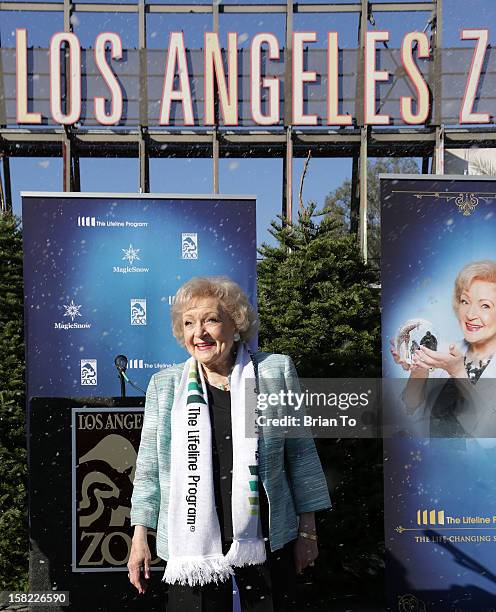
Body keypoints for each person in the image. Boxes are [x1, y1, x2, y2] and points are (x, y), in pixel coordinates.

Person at [128, 276, 331, 611]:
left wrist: (308, 533)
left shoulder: (273, 372)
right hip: (190, 541)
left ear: (235, 324)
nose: (200, 333)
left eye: (211, 320)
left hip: (264, 535)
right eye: (189, 323)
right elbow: (149, 469)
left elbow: (300, 456)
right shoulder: (165, 387)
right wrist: (139, 537)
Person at [390, 260, 496, 438]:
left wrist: (458, 372)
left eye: (485, 305)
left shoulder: (452, 362)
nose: (470, 314)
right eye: (465, 301)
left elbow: (487, 434)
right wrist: (419, 371)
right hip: (434, 459)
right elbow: (411, 407)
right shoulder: (446, 351)